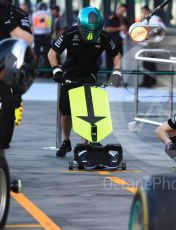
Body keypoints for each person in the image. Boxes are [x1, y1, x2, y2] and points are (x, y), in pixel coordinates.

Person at [47, 6, 123, 157]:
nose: (90, 35)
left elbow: (117, 55)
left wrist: (117, 71)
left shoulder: (104, 36)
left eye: (94, 32)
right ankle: (66, 141)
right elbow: (52, 53)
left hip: (90, 76)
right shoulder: (70, 33)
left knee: (88, 111)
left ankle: (85, 144)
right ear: (80, 25)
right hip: (69, 75)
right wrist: (56, 69)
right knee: (66, 112)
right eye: (87, 31)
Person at [139, 5, 165, 88]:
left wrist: (152, 33)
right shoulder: (144, 20)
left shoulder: (155, 18)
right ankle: (146, 81)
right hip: (145, 44)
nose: (143, 13)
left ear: (148, 11)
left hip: (152, 44)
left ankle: (151, 82)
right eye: (142, 12)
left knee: (151, 63)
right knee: (145, 63)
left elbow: (162, 29)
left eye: (144, 11)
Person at [32, 2, 52, 71]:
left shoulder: (34, 15)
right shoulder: (48, 14)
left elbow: (33, 25)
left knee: (36, 53)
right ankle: (47, 72)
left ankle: (34, 69)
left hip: (37, 36)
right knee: (47, 54)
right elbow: (50, 26)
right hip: (46, 36)